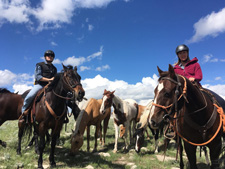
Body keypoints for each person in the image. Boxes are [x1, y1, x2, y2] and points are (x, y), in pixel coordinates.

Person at [173, 44, 225, 109]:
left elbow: (199, 76)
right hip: (182, 91)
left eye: (184, 52)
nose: (182, 55)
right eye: (180, 53)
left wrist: (194, 78)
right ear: (178, 55)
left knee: (217, 98)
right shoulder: (175, 69)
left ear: (187, 53)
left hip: (196, 88)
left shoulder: (195, 64)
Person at [20, 50, 57, 121]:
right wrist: (49, 80)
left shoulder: (54, 68)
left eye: (52, 56)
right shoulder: (40, 65)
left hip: (50, 86)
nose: (50, 56)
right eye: (48, 55)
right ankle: (23, 114)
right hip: (40, 85)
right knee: (30, 96)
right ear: (45, 56)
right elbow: (38, 77)